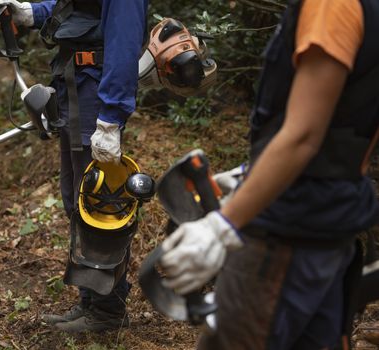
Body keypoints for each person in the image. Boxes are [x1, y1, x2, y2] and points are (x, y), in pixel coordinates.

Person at [159, 0, 379, 349]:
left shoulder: (330, 5)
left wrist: (222, 225)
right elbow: (342, 123)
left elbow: (304, 135)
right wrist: (254, 174)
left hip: (285, 231)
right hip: (325, 223)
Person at [0, 0, 148, 332]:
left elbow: (123, 44)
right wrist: (29, 13)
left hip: (98, 95)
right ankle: (90, 300)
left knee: (102, 203)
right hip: (72, 84)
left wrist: (112, 119)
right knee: (75, 198)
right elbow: (72, 7)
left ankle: (107, 312)